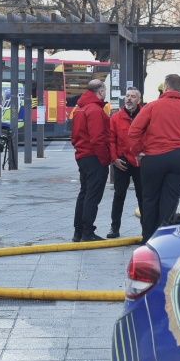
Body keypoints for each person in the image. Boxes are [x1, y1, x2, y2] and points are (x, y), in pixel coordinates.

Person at [128, 73, 180, 241]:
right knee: (171, 199)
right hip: (179, 158)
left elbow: (134, 131)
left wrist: (138, 151)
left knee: (149, 199)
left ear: (165, 87)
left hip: (153, 158)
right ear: (179, 88)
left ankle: (148, 239)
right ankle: (165, 239)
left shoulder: (152, 107)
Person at [69, 79, 113, 242]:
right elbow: (98, 139)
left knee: (84, 193)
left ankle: (78, 232)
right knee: (92, 196)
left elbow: (74, 136)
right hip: (94, 157)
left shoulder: (81, 109)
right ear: (100, 91)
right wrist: (105, 159)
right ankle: (87, 232)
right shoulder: (95, 110)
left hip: (83, 156)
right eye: (105, 90)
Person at [108, 88, 144, 238]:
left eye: (133, 96)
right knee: (119, 195)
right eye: (127, 96)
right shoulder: (116, 118)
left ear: (139, 100)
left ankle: (146, 229)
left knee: (143, 196)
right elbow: (111, 140)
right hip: (121, 161)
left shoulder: (145, 115)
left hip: (140, 161)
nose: (129, 99)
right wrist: (114, 159)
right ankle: (114, 228)